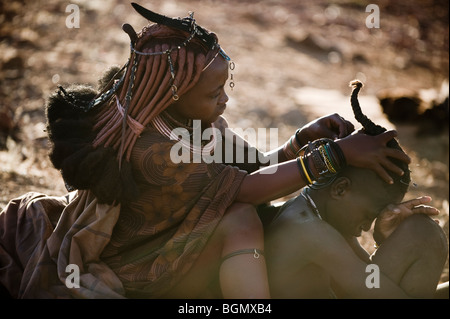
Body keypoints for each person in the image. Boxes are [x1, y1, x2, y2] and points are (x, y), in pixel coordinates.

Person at [0, 4, 411, 298]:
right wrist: (336, 157)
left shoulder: (196, 124)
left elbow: (258, 166)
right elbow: (246, 190)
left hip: (176, 246)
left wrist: (301, 140)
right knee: (241, 219)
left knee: (242, 215)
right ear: (172, 95)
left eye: (224, 89)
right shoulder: (155, 151)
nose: (224, 102)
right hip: (137, 266)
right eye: (215, 93)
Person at [264, 82, 449, 298]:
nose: (366, 226)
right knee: (423, 235)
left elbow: (369, 277)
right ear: (341, 189)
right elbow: (381, 292)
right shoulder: (309, 230)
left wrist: (381, 240)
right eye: (369, 216)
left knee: (420, 232)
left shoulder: (322, 213)